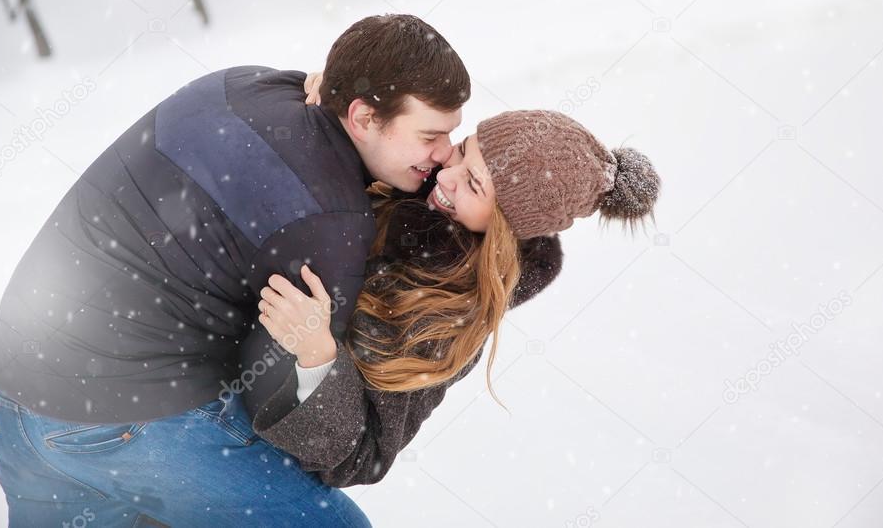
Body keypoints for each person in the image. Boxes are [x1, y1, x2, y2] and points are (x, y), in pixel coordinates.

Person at [0, 14, 470, 527]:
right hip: (123, 423)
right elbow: (287, 413)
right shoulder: (330, 221)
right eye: (430, 136)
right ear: (364, 118)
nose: (441, 157)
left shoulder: (242, 81)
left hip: (14, 397)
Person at [247, 108, 661, 492]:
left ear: (504, 228)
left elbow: (359, 457)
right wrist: (332, 107)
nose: (447, 177)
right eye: (462, 152)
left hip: (249, 440)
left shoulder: (447, 321)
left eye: (473, 183)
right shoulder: (398, 177)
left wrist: (317, 356)